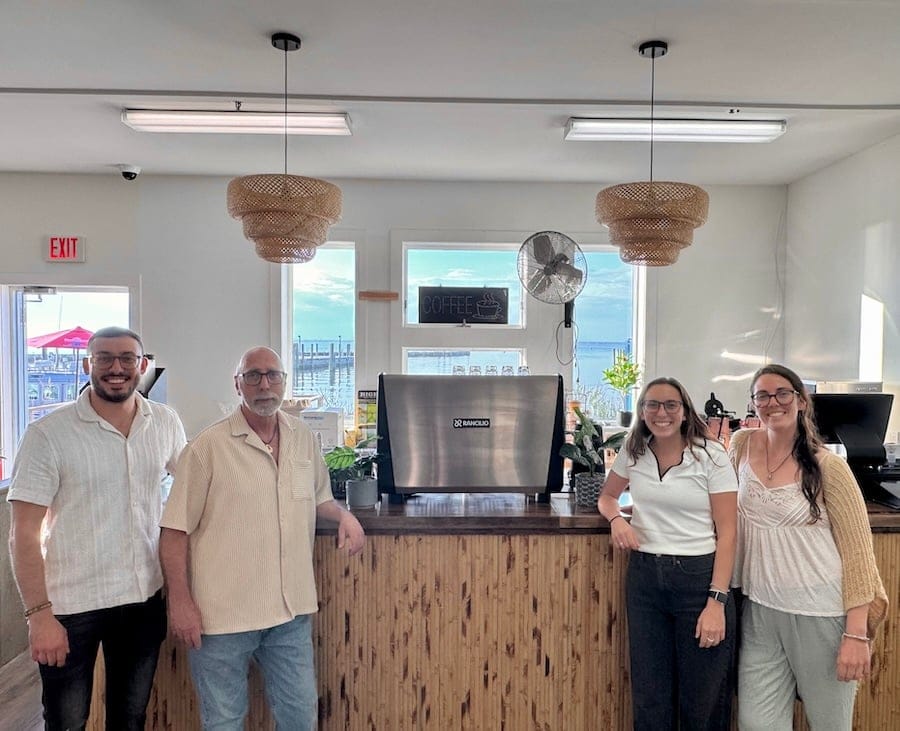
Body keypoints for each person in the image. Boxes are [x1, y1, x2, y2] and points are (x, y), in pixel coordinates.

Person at [159, 346, 365, 730]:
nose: (264, 384)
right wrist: (180, 602)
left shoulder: (302, 437)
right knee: (224, 722)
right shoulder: (207, 448)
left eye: (272, 375)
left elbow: (318, 497)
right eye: (253, 376)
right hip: (222, 618)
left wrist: (343, 515)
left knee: (300, 718)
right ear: (237, 384)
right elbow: (174, 531)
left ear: (285, 382)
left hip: (289, 614)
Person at [7, 326, 187, 730]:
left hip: (142, 599)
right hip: (71, 606)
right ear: (88, 364)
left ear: (143, 365)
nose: (116, 368)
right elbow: (23, 534)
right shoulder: (48, 434)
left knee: (131, 718)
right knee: (66, 721)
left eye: (127, 358)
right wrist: (39, 616)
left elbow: (194, 485)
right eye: (104, 358)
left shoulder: (165, 422)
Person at [729, 364, 888, 730]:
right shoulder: (740, 446)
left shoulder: (830, 467)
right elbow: (716, 504)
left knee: (829, 724)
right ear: (753, 403)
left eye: (783, 393)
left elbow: (859, 556)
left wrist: (856, 633)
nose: (773, 402)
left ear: (801, 401)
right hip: (760, 612)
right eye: (762, 396)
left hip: (821, 614)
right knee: (756, 724)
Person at [598, 377, 738, 730]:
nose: (662, 413)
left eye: (671, 405)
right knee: (650, 697)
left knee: (702, 702)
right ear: (642, 411)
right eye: (653, 405)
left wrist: (716, 602)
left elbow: (728, 533)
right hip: (645, 578)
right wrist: (617, 520)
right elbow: (607, 497)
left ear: (685, 411)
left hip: (698, 581)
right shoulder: (634, 450)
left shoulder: (711, 455)